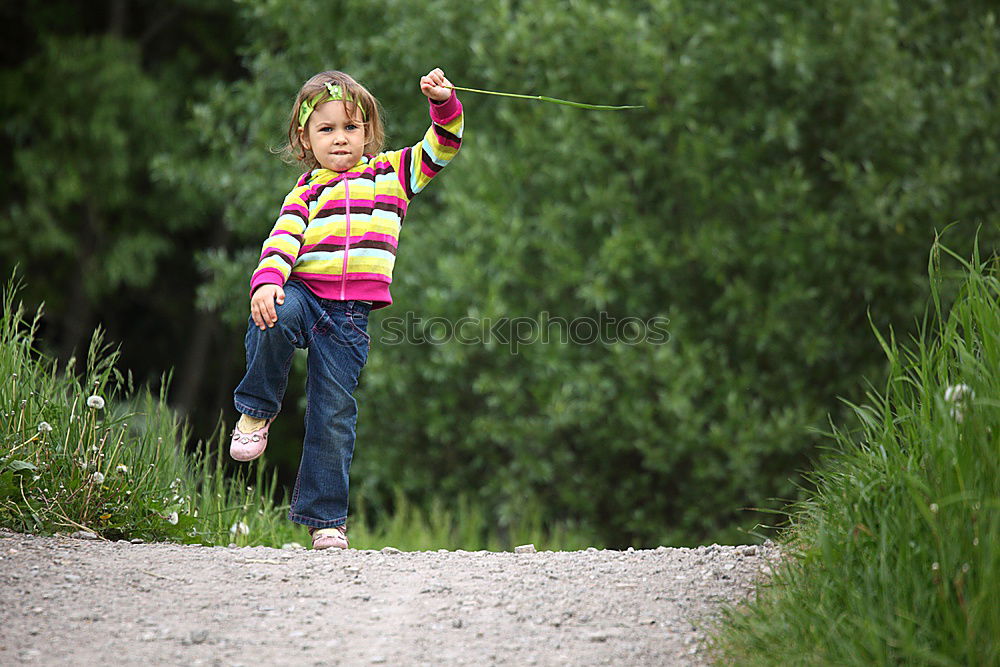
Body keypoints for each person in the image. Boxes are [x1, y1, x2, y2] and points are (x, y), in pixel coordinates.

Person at [230, 68, 463, 550]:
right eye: (327, 129)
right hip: (304, 296)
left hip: (350, 318)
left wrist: (443, 103)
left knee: (332, 415)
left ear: (369, 132)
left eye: (351, 128)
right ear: (305, 137)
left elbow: (442, 146)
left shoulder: (392, 175)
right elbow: (281, 243)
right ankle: (256, 409)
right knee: (271, 313)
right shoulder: (306, 192)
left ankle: (326, 521)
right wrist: (268, 282)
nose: (340, 139)